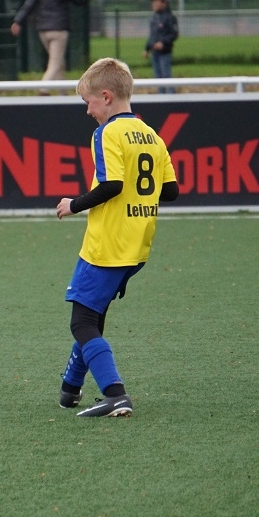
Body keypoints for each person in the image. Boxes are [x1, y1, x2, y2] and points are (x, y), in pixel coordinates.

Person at [55, 58, 179, 417]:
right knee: (93, 315)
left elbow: (112, 184)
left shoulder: (107, 133)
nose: (88, 111)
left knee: (81, 322)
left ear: (106, 97)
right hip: (137, 246)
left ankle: (115, 393)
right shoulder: (151, 135)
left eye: (88, 102)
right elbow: (170, 191)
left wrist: (73, 205)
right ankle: (70, 388)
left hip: (107, 245)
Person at [10, 0, 101, 92]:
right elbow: (78, 0)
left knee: (59, 62)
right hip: (59, 29)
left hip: (43, 29)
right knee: (55, 64)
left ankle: (63, 94)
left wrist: (18, 21)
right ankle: (43, 90)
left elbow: (29, 3)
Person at [144, 0, 179, 93]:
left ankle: (171, 95)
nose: (153, 3)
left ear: (164, 3)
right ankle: (161, 95)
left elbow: (174, 34)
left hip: (164, 52)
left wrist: (163, 42)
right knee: (157, 77)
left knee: (166, 75)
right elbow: (152, 35)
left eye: (156, 0)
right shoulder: (154, 17)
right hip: (155, 52)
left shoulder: (170, 17)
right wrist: (147, 48)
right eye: (153, 1)